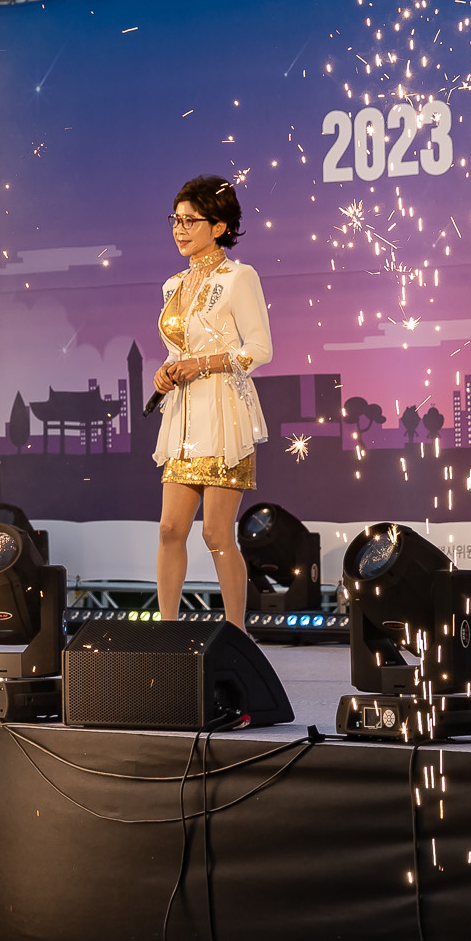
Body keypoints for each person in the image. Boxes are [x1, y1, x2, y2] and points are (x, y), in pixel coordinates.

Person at [152, 174, 274, 628]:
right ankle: (167, 634)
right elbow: (176, 350)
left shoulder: (240, 277)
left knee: (216, 533)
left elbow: (259, 349)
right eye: (175, 220)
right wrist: (166, 371)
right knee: (169, 529)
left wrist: (204, 365)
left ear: (218, 227)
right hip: (182, 416)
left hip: (224, 414)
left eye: (191, 221)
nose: (180, 229)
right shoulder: (172, 285)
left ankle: (238, 635)